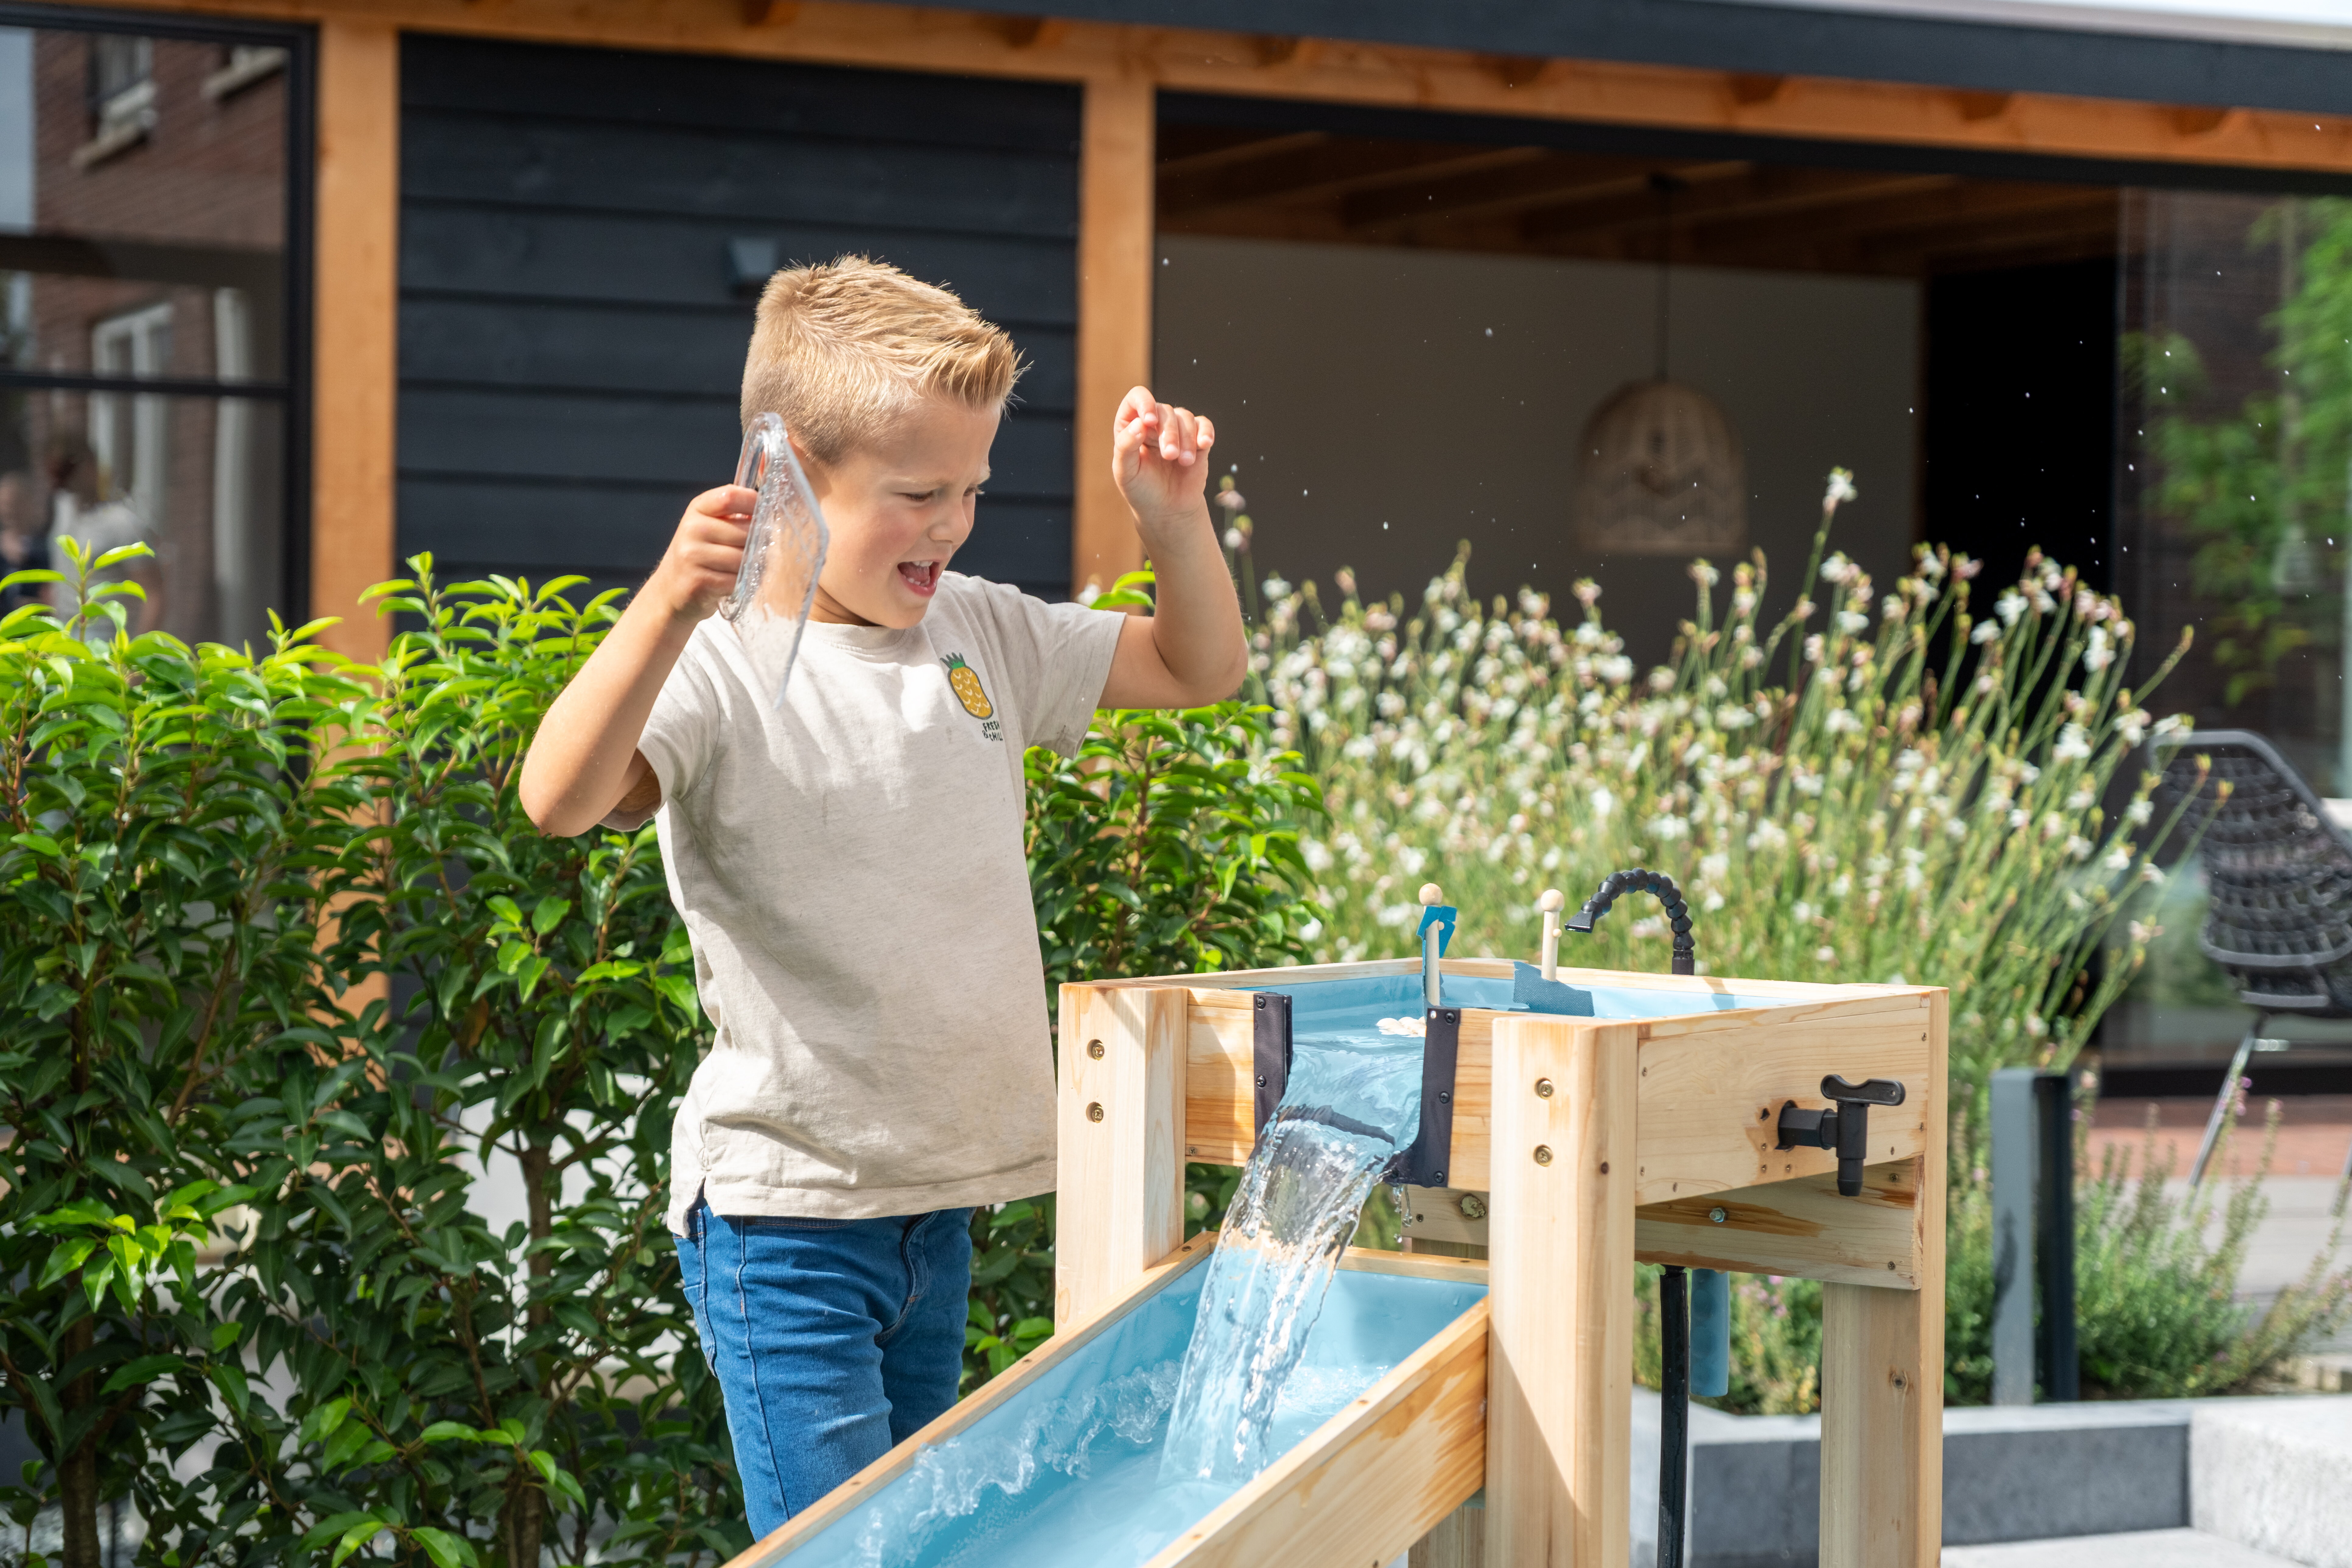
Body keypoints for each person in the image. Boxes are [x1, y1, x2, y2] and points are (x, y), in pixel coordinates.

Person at [516, 256, 1243, 1536]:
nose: (953, 522)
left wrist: (1173, 522)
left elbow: (1197, 668)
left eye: (971, 488)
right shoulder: (723, 664)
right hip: (787, 1223)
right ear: (783, 469)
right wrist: (670, 602)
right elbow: (560, 798)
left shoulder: (978, 634)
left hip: (930, 1221)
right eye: (917, 494)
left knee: (922, 1543)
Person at [43, 435, 159, 639]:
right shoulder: (63, 512)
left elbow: (155, 595)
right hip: (67, 642)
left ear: (90, 467)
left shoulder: (122, 523)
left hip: (108, 646)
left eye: (67, 474)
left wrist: (136, 659)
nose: (64, 485)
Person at [0, 469, 43, 615]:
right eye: (4, 504)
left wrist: (37, 605)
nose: (8, 511)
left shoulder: (41, 549)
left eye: (14, 504)